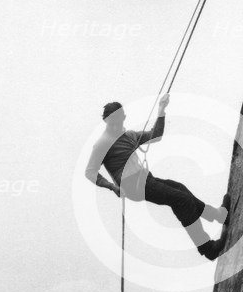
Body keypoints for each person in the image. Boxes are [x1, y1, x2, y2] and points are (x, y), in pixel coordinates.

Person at [85, 94, 230, 260]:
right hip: (133, 185)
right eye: (113, 122)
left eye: (120, 120)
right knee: (181, 200)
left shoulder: (129, 136)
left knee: (179, 189)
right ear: (106, 121)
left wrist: (161, 109)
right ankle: (207, 248)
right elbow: (90, 171)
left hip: (145, 179)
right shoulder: (102, 143)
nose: (117, 125)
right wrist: (112, 186)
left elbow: (156, 134)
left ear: (124, 117)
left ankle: (218, 215)